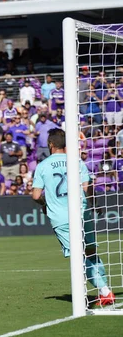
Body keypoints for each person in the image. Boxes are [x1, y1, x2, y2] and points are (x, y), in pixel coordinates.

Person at [31, 129, 114, 306]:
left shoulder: (43, 166)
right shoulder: (77, 161)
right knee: (91, 251)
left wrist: (46, 205)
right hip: (82, 212)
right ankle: (104, 289)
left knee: (78, 256)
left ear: (51, 144)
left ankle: (105, 292)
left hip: (61, 217)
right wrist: (94, 205)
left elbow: (36, 195)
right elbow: (87, 186)